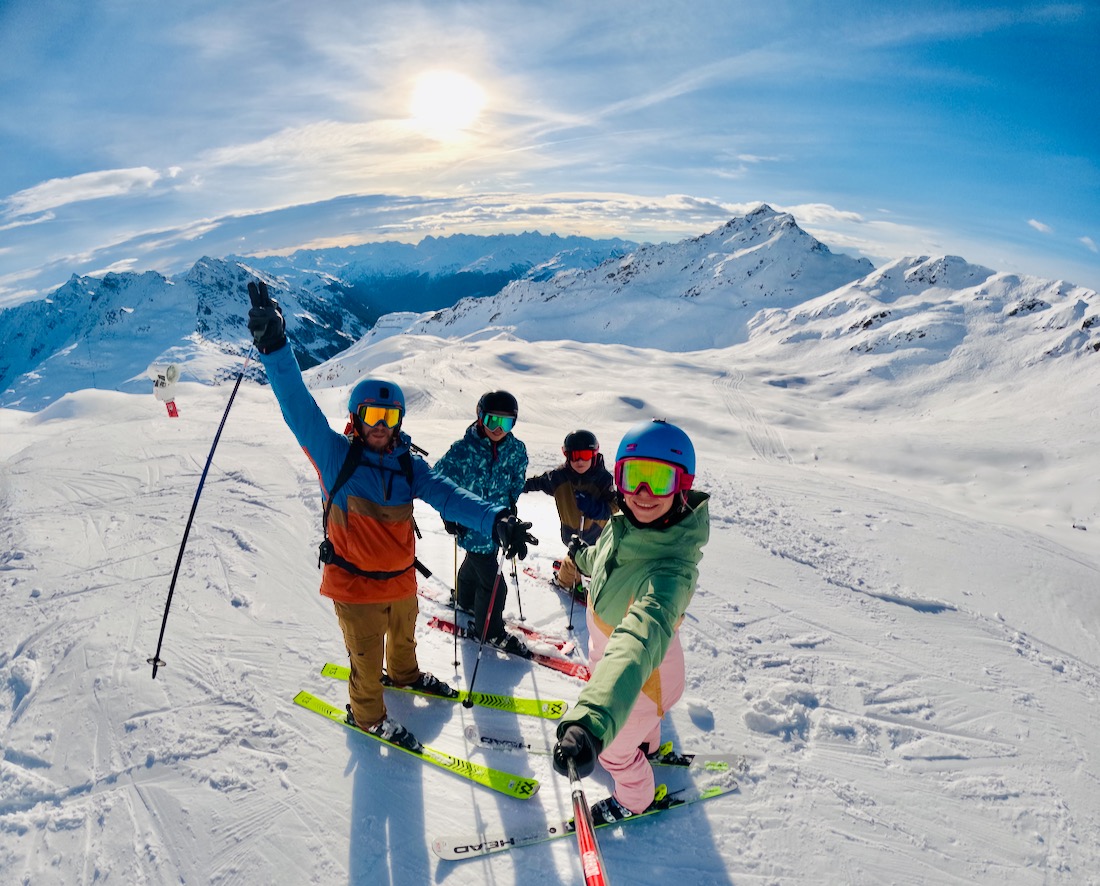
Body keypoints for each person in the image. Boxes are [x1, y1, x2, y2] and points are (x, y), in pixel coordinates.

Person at [246, 281, 533, 751]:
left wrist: (495, 518)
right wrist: (275, 347)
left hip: (400, 579)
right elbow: (298, 407)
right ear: (356, 419)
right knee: (364, 656)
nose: (381, 427)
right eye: (372, 417)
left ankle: (405, 675)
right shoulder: (335, 456)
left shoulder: (407, 464)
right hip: (354, 585)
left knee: (403, 639)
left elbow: (450, 494)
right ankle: (368, 715)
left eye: (390, 417)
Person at [550, 419, 709, 821]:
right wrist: (578, 556)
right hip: (633, 675)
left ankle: (635, 798)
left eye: (658, 480)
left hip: (643, 674)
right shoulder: (622, 526)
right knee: (640, 722)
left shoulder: (671, 572)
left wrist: (591, 722)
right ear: (618, 476)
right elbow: (602, 560)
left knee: (614, 750)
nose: (642, 493)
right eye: (634, 476)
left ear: (682, 485)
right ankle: (647, 746)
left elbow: (638, 640)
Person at [434, 391, 530, 656]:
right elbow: (439, 481)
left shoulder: (516, 449)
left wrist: (511, 505)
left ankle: (464, 600)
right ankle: (489, 631)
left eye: (506, 423)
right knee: (494, 583)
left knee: (477, 560)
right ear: (479, 418)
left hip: (499, 524)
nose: (498, 429)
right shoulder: (463, 451)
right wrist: (448, 514)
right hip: (470, 524)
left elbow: (517, 479)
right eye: (491, 421)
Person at [522, 429, 617, 590]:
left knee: (596, 559)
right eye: (574, 456)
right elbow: (536, 483)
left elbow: (614, 507)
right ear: (566, 455)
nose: (579, 461)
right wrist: (514, 487)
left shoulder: (603, 479)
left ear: (594, 454)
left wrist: (595, 508)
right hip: (571, 532)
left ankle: (590, 576)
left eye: (585, 455)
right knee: (575, 560)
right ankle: (564, 582)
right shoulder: (559, 477)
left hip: (597, 533)